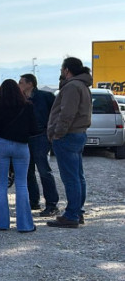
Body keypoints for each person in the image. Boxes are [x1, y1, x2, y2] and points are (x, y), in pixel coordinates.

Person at [46, 57, 93, 229]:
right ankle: (77, 212)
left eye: (62, 69)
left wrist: (57, 133)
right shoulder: (82, 85)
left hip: (67, 136)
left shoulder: (72, 87)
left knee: (71, 178)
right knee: (78, 176)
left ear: (66, 70)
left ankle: (72, 214)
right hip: (78, 134)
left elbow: (67, 113)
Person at [0, 79, 37, 232]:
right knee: (22, 184)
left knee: (1, 184)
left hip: (1, 144)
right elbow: (34, 128)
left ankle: (1, 223)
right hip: (21, 146)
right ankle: (25, 225)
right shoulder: (27, 105)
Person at [18, 74, 59, 216]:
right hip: (25, 138)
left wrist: (51, 132)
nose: (19, 85)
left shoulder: (45, 97)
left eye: (21, 82)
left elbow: (55, 113)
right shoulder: (20, 99)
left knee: (44, 171)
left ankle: (52, 204)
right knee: (28, 172)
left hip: (41, 137)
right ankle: (33, 201)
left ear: (30, 84)